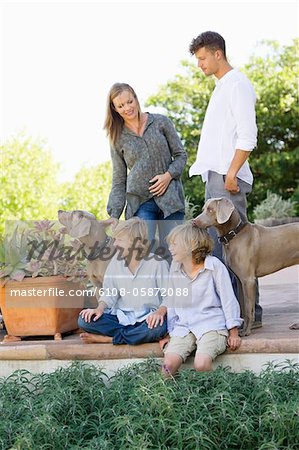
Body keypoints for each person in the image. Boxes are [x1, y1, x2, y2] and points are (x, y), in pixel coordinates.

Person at [188, 31, 262, 326]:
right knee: (222, 252)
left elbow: (248, 134)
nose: (200, 64)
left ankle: (248, 316)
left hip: (227, 178)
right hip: (216, 176)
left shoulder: (238, 85)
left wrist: (231, 172)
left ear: (218, 53)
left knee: (238, 251)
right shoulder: (221, 87)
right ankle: (235, 315)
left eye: (203, 58)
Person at [147, 222, 242, 376]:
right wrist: (170, 333)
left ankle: (214, 396)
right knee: (167, 366)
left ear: (191, 245)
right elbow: (172, 302)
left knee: (201, 364)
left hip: (211, 325)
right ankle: (173, 398)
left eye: (174, 244)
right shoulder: (175, 268)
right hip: (184, 326)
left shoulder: (214, 266)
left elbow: (228, 299)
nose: (170, 248)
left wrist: (234, 332)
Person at [104, 83, 186, 255]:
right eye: (121, 106)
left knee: (174, 253)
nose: (127, 108)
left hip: (170, 198)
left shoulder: (161, 122)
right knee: (142, 253)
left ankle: (174, 282)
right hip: (141, 202)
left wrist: (168, 176)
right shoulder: (117, 138)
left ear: (135, 98)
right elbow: (119, 179)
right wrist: (114, 214)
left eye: (129, 101)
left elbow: (180, 155)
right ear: (115, 109)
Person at [78, 217, 168, 345]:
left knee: (158, 328)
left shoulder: (158, 264)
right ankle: (134, 336)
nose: (114, 244)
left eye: (119, 240)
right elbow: (109, 293)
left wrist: (160, 312)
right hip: (121, 318)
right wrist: (99, 309)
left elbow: (169, 296)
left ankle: (110, 339)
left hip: (148, 319)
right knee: (84, 320)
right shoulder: (115, 263)